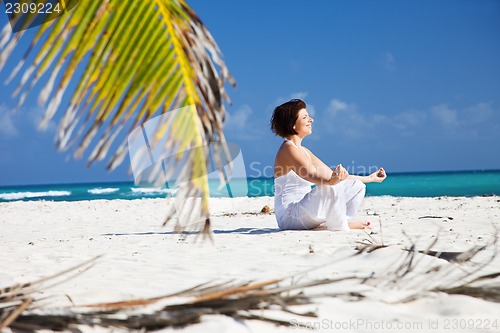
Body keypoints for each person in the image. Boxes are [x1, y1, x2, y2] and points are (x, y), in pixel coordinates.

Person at [270, 99, 387, 231]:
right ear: (293, 125)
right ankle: (340, 225)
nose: (311, 119)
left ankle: (345, 219)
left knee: (357, 185)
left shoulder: (304, 151)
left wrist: (370, 178)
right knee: (330, 187)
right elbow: (312, 176)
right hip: (290, 216)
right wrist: (333, 181)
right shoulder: (288, 149)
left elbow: (329, 175)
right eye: (305, 117)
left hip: (305, 211)